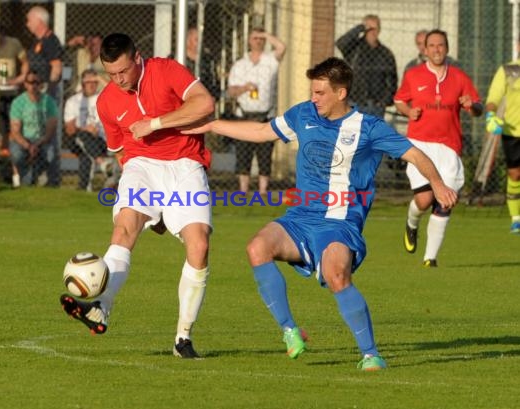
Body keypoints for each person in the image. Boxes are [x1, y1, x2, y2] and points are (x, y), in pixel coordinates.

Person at [184, 57, 458, 370]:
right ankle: (290, 331)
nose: (313, 99)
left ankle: (371, 355)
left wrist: (436, 184)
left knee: (337, 275)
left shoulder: (369, 128)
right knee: (256, 248)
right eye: (313, 92)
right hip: (299, 218)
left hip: (340, 223)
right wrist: (210, 125)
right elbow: (261, 131)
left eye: (320, 93)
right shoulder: (303, 114)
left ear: (341, 93)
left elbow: (415, 154)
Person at [59, 33, 215, 359]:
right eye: (111, 74)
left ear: (138, 58)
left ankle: (182, 338)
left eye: (124, 72)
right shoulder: (106, 101)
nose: (118, 80)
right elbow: (120, 152)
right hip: (141, 165)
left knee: (199, 246)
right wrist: (150, 209)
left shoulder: (166, 70)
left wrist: (155, 123)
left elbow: (205, 104)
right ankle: (99, 308)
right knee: (124, 229)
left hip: (185, 165)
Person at [394, 29, 483, 267]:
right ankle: (412, 223)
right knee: (424, 200)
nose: (436, 49)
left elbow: (478, 108)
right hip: (420, 145)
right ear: (425, 49)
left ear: (447, 48)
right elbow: (399, 100)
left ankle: (430, 259)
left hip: (449, 147)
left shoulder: (459, 77)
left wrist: (471, 105)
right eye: (431, 45)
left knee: (446, 201)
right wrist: (408, 111)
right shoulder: (413, 75)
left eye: (440, 45)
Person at [227, 27, 286, 194]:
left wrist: (267, 34)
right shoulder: (240, 64)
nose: (258, 41)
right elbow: (231, 91)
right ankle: (243, 190)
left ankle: (262, 192)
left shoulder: (270, 61)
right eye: (255, 38)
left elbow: (282, 47)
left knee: (265, 155)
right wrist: (244, 88)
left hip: (265, 114)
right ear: (248, 41)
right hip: (244, 114)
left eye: (261, 39)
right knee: (243, 154)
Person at [485, 38, 520, 234]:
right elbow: (493, 98)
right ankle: (516, 218)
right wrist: (490, 115)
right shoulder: (508, 70)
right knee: (515, 174)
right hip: (513, 131)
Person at [25, 5, 63, 187]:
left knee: (49, 135)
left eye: (29, 20)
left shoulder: (50, 41)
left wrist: (49, 89)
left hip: (47, 95)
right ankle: (36, 174)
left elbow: (56, 67)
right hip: (35, 95)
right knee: (36, 132)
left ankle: (52, 177)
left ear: (39, 21)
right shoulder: (36, 42)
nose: (27, 24)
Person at [336, 14, 397, 118]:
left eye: (375, 28)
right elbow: (340, 43)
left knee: (373, 134)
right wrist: (360, 28)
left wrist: (385, 101)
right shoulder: (354, 49)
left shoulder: (385, 53)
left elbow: (392, 80)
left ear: (379, 30)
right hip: (354, 102)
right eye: (369, 28)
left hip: (376, 106)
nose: (372, 31)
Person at [9, 70, 58, 187]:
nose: (33, 85)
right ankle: (27, 181)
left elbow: (51, 130)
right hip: (23, 138)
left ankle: (38, 177)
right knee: (17, 155)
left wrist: (38, 144)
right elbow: (15, 132)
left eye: (37, 82)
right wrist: (28, 145)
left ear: (41, 84)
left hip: (42, 139)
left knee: (50, 155)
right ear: (25, 84)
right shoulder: (18, 102)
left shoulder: (49, 101)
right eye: (30, 82)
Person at [63, 69, 108, 191]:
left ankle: (83, 188)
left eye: (94, 81)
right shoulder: (73, 101)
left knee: (86, 156)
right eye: (88, 81)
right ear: (82, 83)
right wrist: (85, 129)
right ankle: (102, 163)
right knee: (82, 136)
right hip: (77, 139)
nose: (92, 84)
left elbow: (118, 91)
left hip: (101, 140)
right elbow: (69, 129)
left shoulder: (103, 97)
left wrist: (99, 78)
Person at [182, 27, 220, 100]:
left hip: (203, 99)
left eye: (201, 40)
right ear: (187, 41)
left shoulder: (208, 59)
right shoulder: (175, 58)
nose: (200, 43)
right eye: (196, 40)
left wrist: (213, 97)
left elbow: (214, 81)